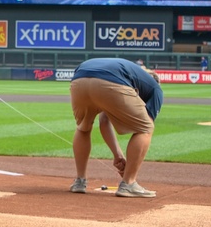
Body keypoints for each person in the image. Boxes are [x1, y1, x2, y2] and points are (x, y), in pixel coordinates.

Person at [68, 56, 163, 198]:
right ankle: (129, 183)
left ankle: (79, 182)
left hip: (79, 79)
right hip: (109, 80)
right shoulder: (155, 89)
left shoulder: (130, 72)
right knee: (145, 128)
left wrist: (117, 155)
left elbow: (104, 120)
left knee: (83, 127)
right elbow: (144, 126)